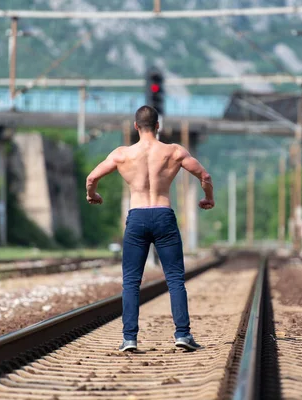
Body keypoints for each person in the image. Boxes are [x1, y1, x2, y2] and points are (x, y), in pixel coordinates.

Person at [86, 105, 215, 352]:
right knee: (175, 279)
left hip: (137, 218)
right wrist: (208, 198)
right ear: (158, 126)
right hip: (164, 215)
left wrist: (93, 195)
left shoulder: (122, 154)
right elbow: (205, 177)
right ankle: (182, 334)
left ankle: (129, 339)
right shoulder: (174, 151)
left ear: (136, 127)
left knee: (131, 282)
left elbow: (91, 178)